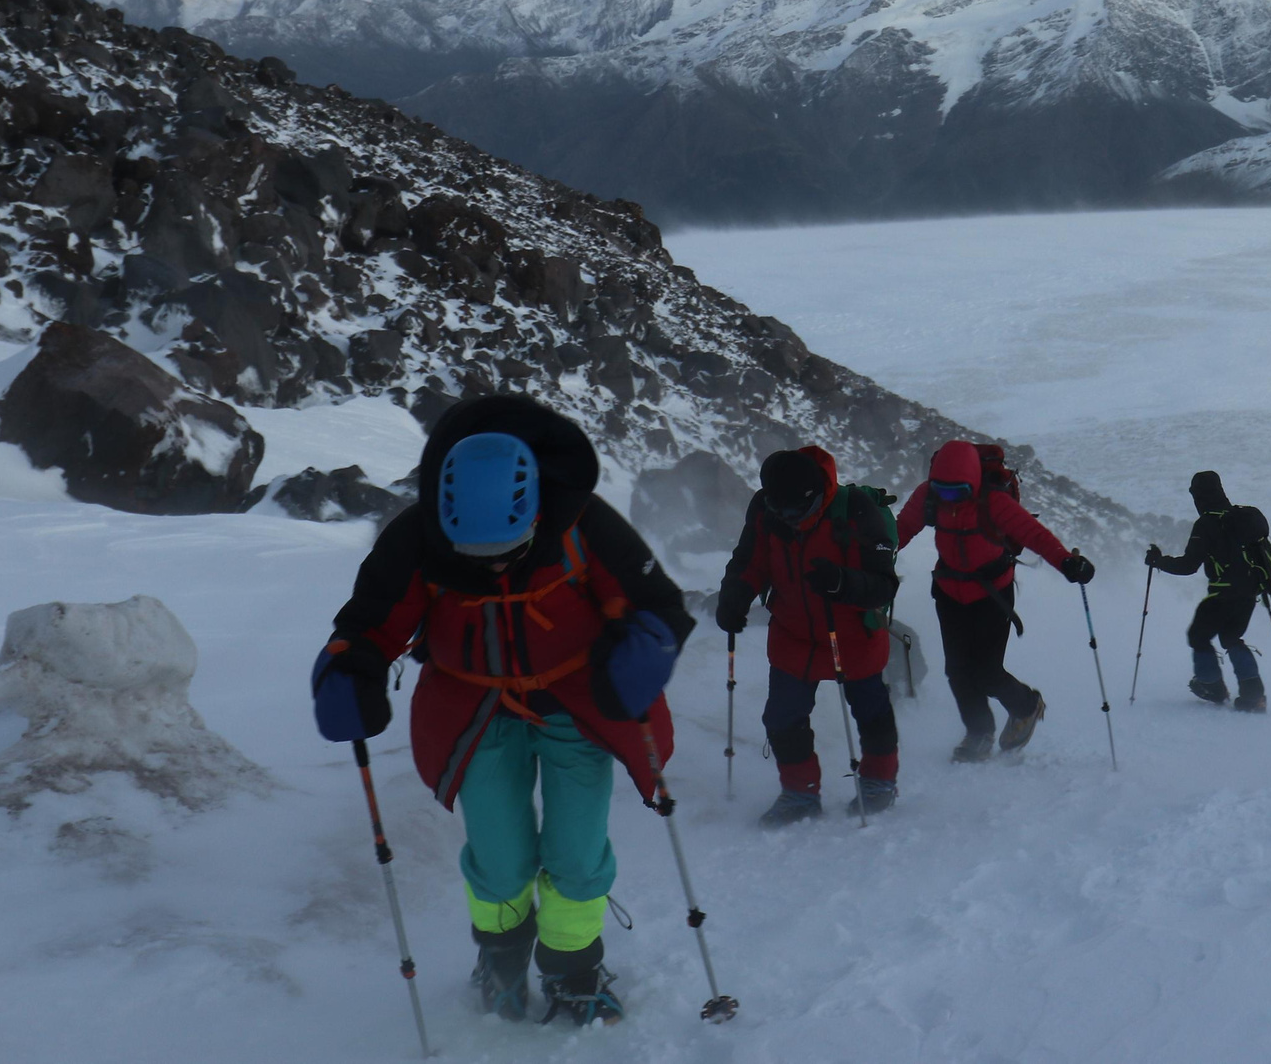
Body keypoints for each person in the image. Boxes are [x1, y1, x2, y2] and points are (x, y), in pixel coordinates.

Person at [310, 395, 693, 1027]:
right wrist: (347, 669)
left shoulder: (582, 522)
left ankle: (574, 970)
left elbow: (657, 601)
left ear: (538, 509)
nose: (493, 565)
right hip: (475, 711)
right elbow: (368, 626)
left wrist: (649, 645)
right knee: (500, 858)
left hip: (576, 704)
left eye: (510, 549)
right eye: (476, 555)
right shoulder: (417, 536)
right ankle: (502, 959)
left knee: (576, 852)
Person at [713, 445, 903, 826]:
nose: (791, 520)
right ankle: (800, 794)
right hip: (793, 634)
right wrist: (734, 596)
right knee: (782, 717)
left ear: (818, 495)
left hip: (852, 634)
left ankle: (879, 783)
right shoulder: (768, 510)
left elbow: (884, 586)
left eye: (799, 512)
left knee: (871, 712)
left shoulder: (856, 511)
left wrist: (841, 583)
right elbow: (749, 560)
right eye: (782, 512)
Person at [895, 440, 1094, 761]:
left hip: (992, 594)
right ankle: (979, 733)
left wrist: (1067, 563)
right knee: (958, 671)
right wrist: (871, 560)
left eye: (957, 491)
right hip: (949, 591)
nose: (949, 499)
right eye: (942, 491)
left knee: (986, 671)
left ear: (972, 482)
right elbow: (901, 530)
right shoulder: (929, 494)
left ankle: (1026, 705)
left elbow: (1034, 535)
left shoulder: (994, 502)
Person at [1145, 470, 1271, 712]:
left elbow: (1188, 566)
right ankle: (1254, 695)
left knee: (1198, 636)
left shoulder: (1206, 523)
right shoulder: (1243, 518)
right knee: (1230, 639)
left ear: (1198, 496)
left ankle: (1212, 686)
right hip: (1249, 595)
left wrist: (1158, 561)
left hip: (1222, 595)